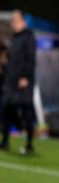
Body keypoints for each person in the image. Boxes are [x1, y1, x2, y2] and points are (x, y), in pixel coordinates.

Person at [0, 10, 37, 154]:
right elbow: (10, 59)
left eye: (15, 21)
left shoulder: (29, 37)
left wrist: (25, 77)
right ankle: (5, 141)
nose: (13, 24)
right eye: (12, 22)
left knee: (26, 112)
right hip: (10, 81)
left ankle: (29, 144)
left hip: (23, 82)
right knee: (6, 111)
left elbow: (30, 59)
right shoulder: (14, 38)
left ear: (23, 22)